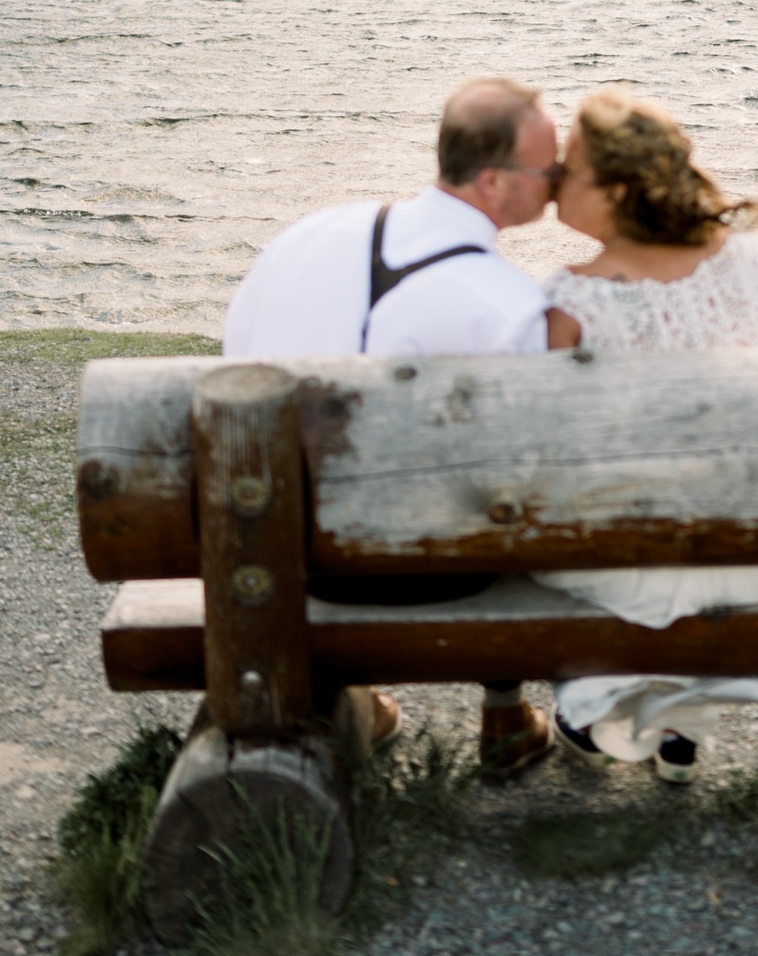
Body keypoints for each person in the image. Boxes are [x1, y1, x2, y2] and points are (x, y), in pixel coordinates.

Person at [222, 75, 559, 779]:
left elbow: (236, 363)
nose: (558, 184)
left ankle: (360, 698)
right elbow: (525, 473)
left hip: (271, 548)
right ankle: (504, 713)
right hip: (417, 575)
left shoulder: (307, 235)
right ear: (496, 183)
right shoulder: (507, 304)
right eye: (548, 171)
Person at [535, 86, 758, 783]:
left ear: (619, 190)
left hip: (639, 547)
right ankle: (680, 729)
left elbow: (556, 448)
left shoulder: (572, 298)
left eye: (570, 166)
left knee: (590, 538)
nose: (556, 179)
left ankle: (609, 708)